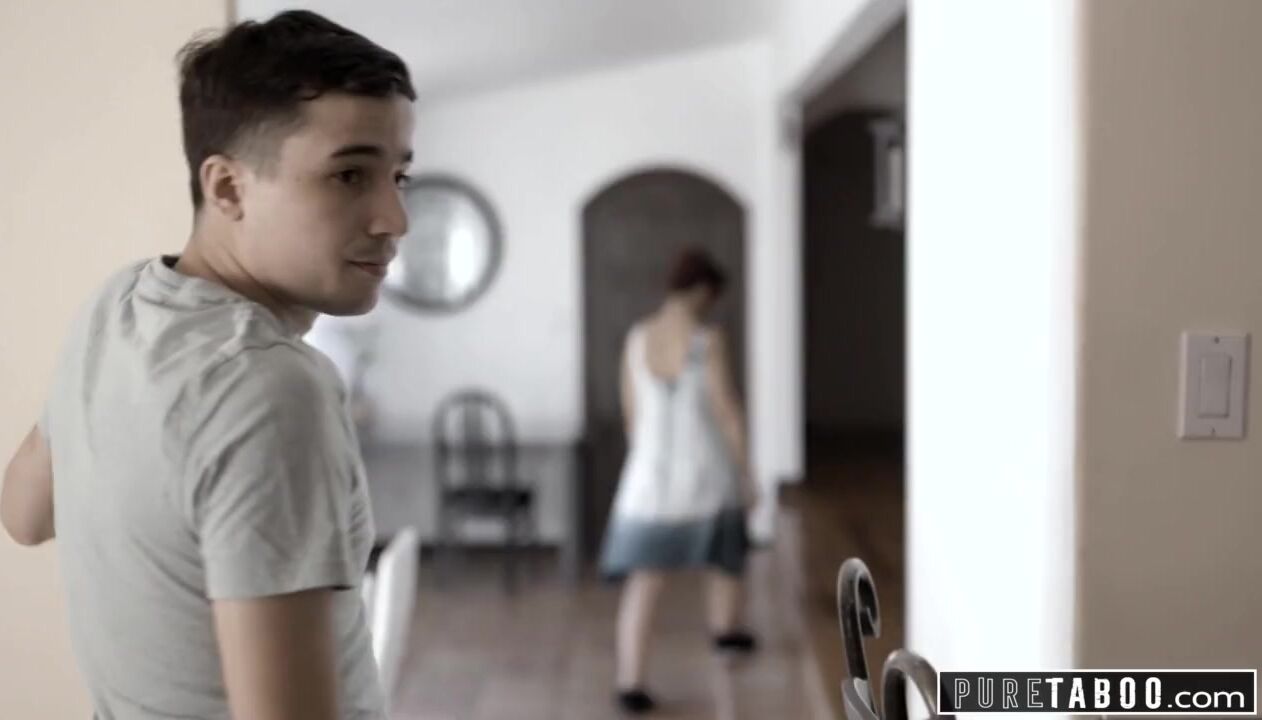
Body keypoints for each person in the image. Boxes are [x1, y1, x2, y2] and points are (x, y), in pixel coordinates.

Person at [1, 10, 414, 719]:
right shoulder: (273, 387)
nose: (394, 219)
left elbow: (24, 513)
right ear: (226, 188)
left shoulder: (119, 304)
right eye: (349, 175)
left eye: (399, 176)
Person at [599, 247, 759, 714]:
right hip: (706, 473)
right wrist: (746, 473)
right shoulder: (708, 339)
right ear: (705, 291)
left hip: (649, 481)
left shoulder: (637, 338)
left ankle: (631, 682)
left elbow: (632, 414)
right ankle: (725, 636)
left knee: (645, 583)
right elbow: (727, 411)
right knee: (724, 561)